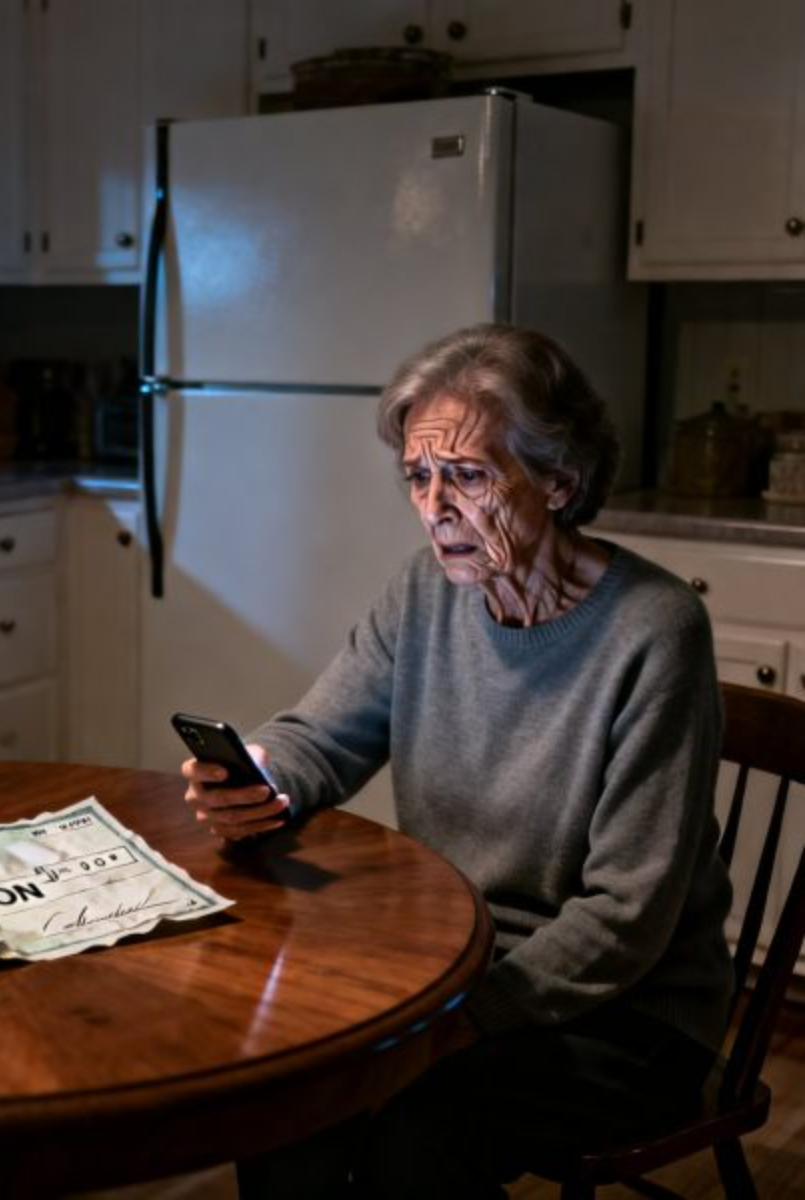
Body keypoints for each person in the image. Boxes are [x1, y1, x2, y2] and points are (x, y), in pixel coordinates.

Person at [181, 323, 734, 1198]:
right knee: (285, 1089)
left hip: (624, 1010)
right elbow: (322, 734)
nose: (435, 507)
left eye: (469, 475)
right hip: (446, 961)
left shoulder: (655, 631)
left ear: (559, 480)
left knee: (415, 1140)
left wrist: (458, 1020)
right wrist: (262, 776)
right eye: (418, 476)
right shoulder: (425, 592)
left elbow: (627, 918)